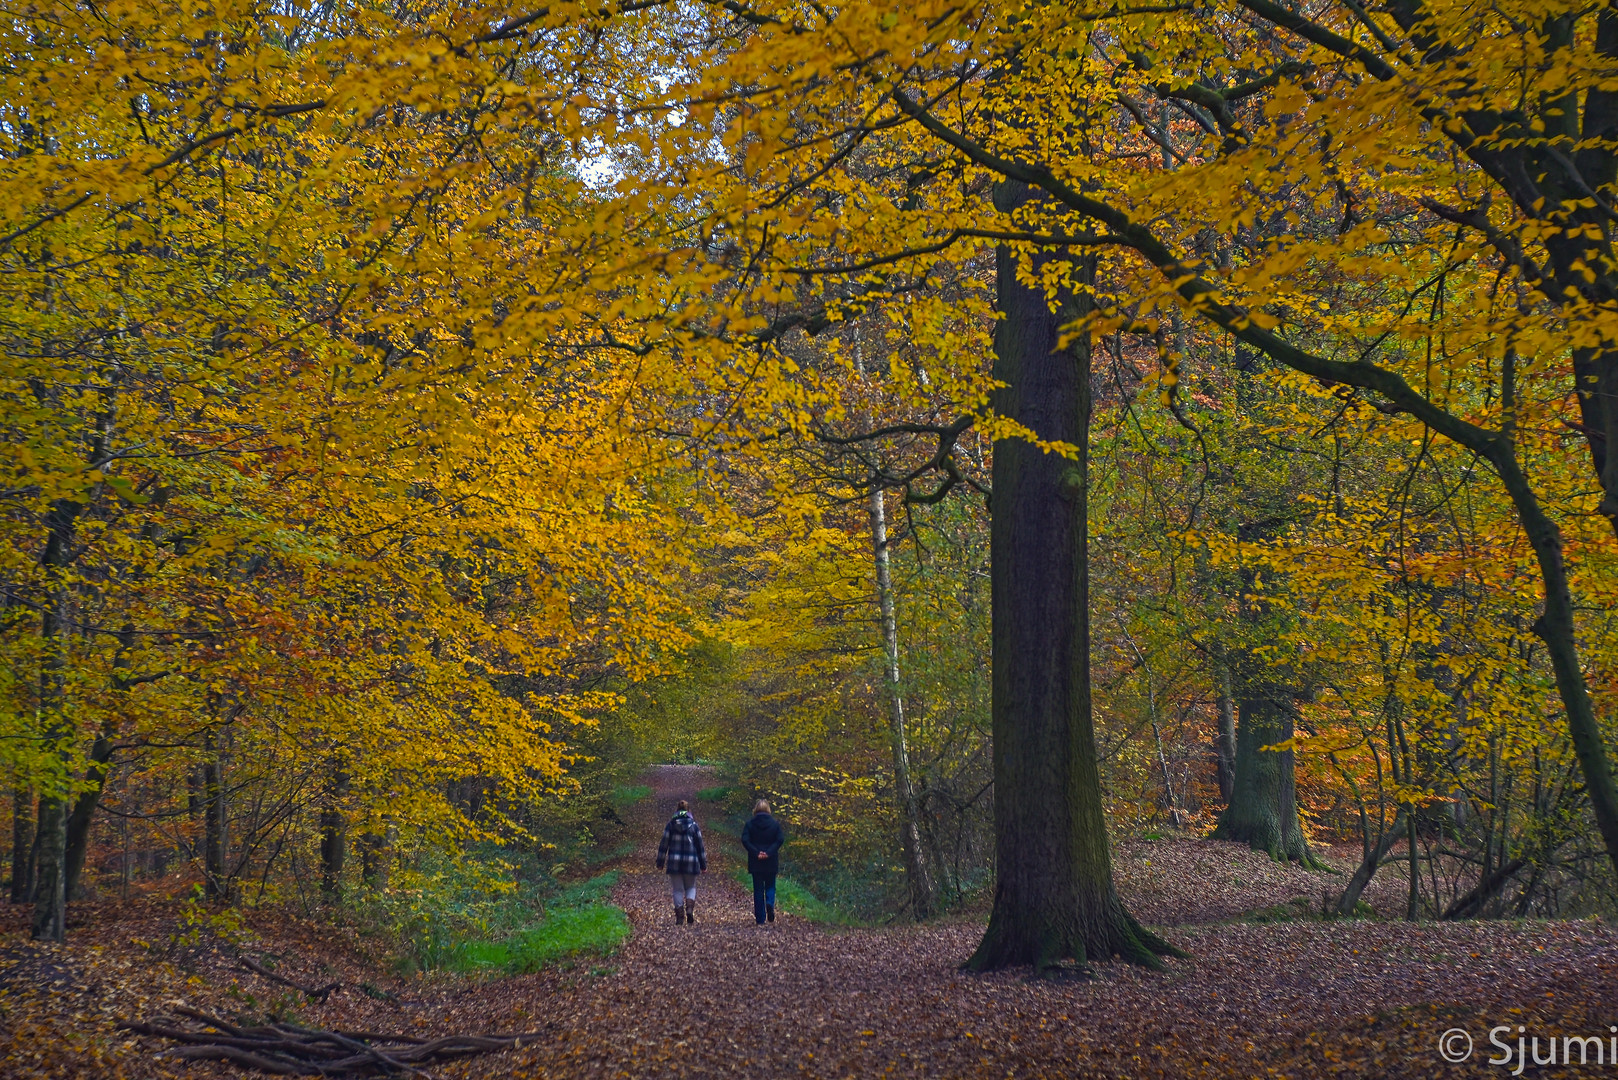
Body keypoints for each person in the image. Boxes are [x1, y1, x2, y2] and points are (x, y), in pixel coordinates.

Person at [655, 800, 706, 924]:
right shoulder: (694, 825)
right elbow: (700, 846)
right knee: (691, 887)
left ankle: (680, 917)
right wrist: (703, 864)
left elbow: (664, 844)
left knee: (677, 889)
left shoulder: (671, 825)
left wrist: (660, 862)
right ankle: (689, 908)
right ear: (688, 811)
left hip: (675, 862)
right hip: (691, 862)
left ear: (677, 811)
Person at [740, 799, 784, 924]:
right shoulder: (775, 824)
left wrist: (756, 852)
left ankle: (760, 918)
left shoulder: (749, 824)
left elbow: (745, 840)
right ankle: (769, 903)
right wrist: (769, 852)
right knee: (770, 885)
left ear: (756, 809)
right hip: (771, 861)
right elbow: (780, 839)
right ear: (768, 809)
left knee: (758, 889)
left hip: (756, 861)